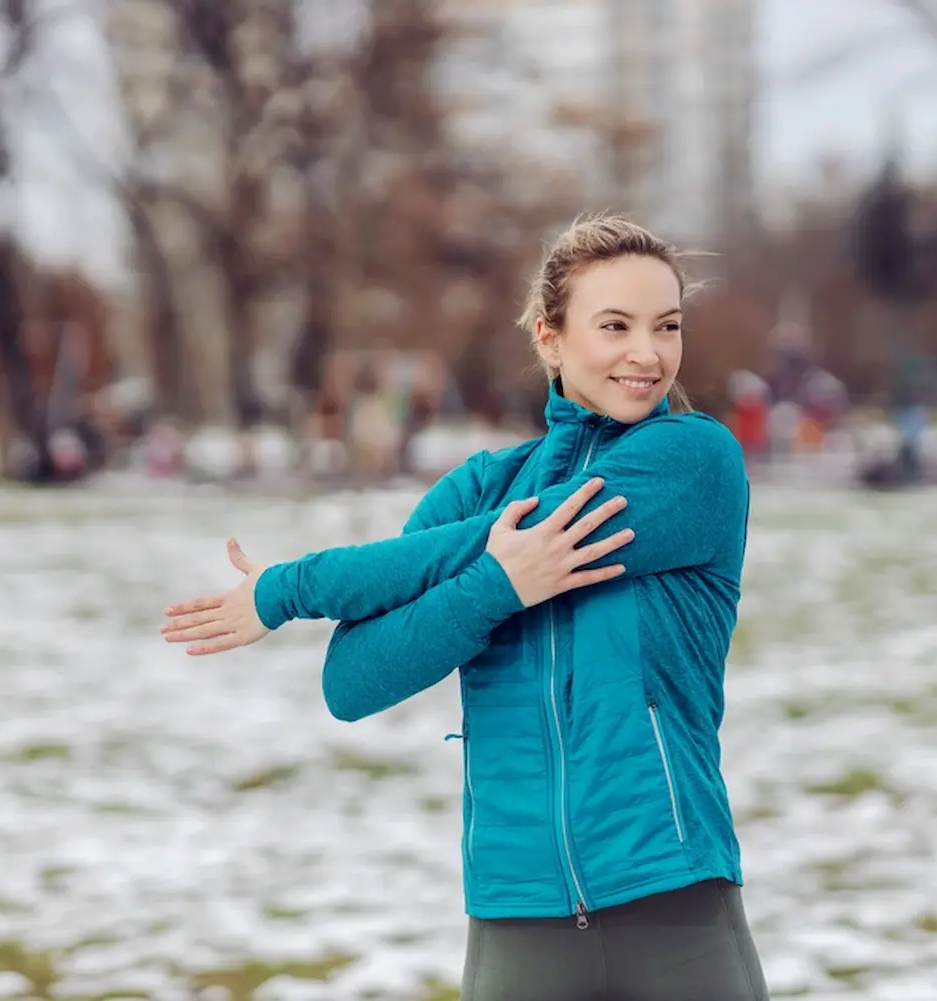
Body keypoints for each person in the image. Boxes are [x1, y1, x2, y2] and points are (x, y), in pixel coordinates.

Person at [160, 215, 768, 1001]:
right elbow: (352, 681)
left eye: (667, 326)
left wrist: (287, 587)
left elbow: (533, 528)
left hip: (676, 905)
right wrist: (500, 584)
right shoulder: (479, 487)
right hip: (516, 917)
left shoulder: (693, 461)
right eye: (614, 325)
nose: (647, 353)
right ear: (550, 339)